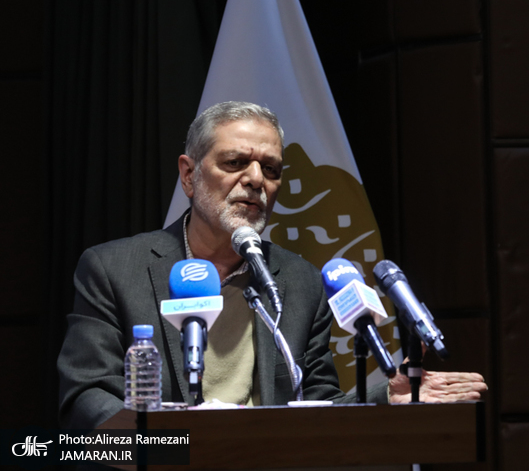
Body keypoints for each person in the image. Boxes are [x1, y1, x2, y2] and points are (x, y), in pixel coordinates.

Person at [57, 101, 486, 429]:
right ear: (189, 175)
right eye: (235, 163)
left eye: (271, 169)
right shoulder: (114, 269)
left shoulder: (299, 281)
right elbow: (87, 396)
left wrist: (384, 397)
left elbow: (315, 403)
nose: (256, 180)